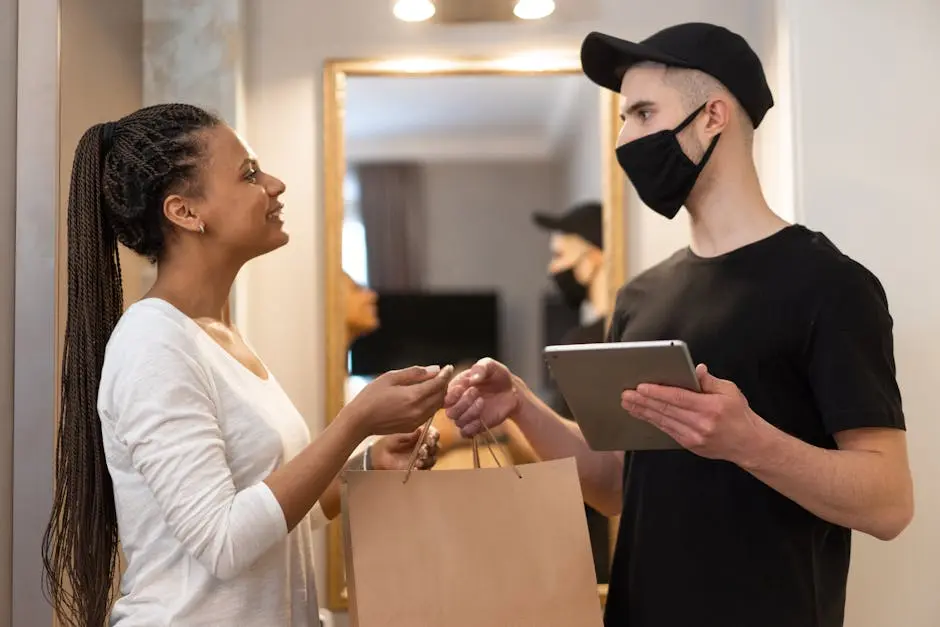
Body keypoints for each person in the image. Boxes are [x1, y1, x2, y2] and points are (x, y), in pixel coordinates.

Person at [445, 22, 913, 627]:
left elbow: (890, 502)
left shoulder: (831, 286)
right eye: (622, 118)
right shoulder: (641, 297)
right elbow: (618, 485)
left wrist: (749, 442)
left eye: (642, 113)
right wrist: (522, 408)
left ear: (713, 115)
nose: (625, 139)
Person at [41, 103, 453, 627]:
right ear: (185, 212)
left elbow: (269, 511)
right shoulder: (153, 344)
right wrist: (356, 423)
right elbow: (225, 540)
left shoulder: (221, 338)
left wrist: (366, 466)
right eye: (250, 174)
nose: (275, 185)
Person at [533, 200, 611, 582]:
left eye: (561, 255)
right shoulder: (583, 337)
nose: (553, 268)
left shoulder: (584, 344)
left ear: (593, 257)